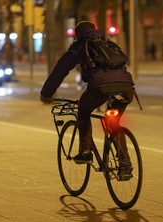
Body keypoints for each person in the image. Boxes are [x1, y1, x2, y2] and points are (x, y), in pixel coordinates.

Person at [40, 21, 135, 164]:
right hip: (127, 88)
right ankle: (125, 164)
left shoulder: (80, 46)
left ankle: (85, 151)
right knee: (113, 122)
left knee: (83, 111)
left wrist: (46, 94)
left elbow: (60, 70)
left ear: (78, 35)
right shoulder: (108, 43)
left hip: (100, 87)